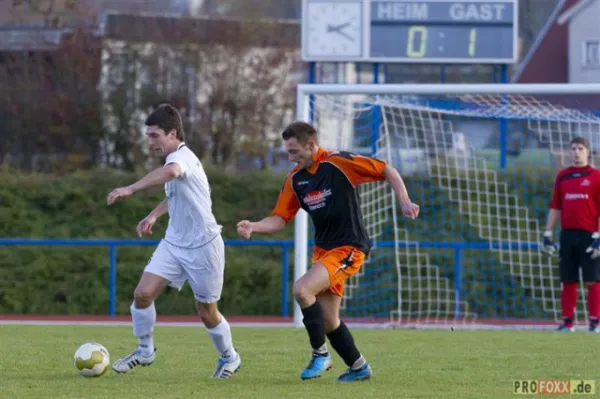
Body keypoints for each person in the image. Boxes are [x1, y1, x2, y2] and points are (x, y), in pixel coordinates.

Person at [236, 121, 420, 382]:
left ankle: (320, 354)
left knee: (302, 289)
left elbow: (386, 169)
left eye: (294, 151)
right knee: (328, 319)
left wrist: (403, 198)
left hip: (349, 247)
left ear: (311, 145)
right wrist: (254, 226)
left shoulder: (338, 163)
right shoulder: (295, 179)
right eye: (287, 152)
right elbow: (279, 218)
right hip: (324, 252)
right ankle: (359, 367)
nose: (290, 157)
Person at [106, 103, 242, 377]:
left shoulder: (183, 157)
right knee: (142, 294)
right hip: (174, 243)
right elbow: (175, 195)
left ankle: (229, 357)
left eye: (155, 135)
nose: (150, 141)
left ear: (172, 133)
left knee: (206, 312)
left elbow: (172, 173)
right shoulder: (172, 162)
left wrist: (131, 188)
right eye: (148, 135)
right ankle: (145, 352)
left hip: (204, 246)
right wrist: (153, 216)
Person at [542, 136, 600, 333]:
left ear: (588, 151)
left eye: (580, 148)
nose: (576, 152)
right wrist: (548, 232)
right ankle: (568, 323)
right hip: (567, 235)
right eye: (573, 148)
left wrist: (599, 236)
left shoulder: (596, 176)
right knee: (568, 279)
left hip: (590, 236)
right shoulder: (563, 176)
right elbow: (555, 206)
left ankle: (595, 322)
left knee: (593, 279)